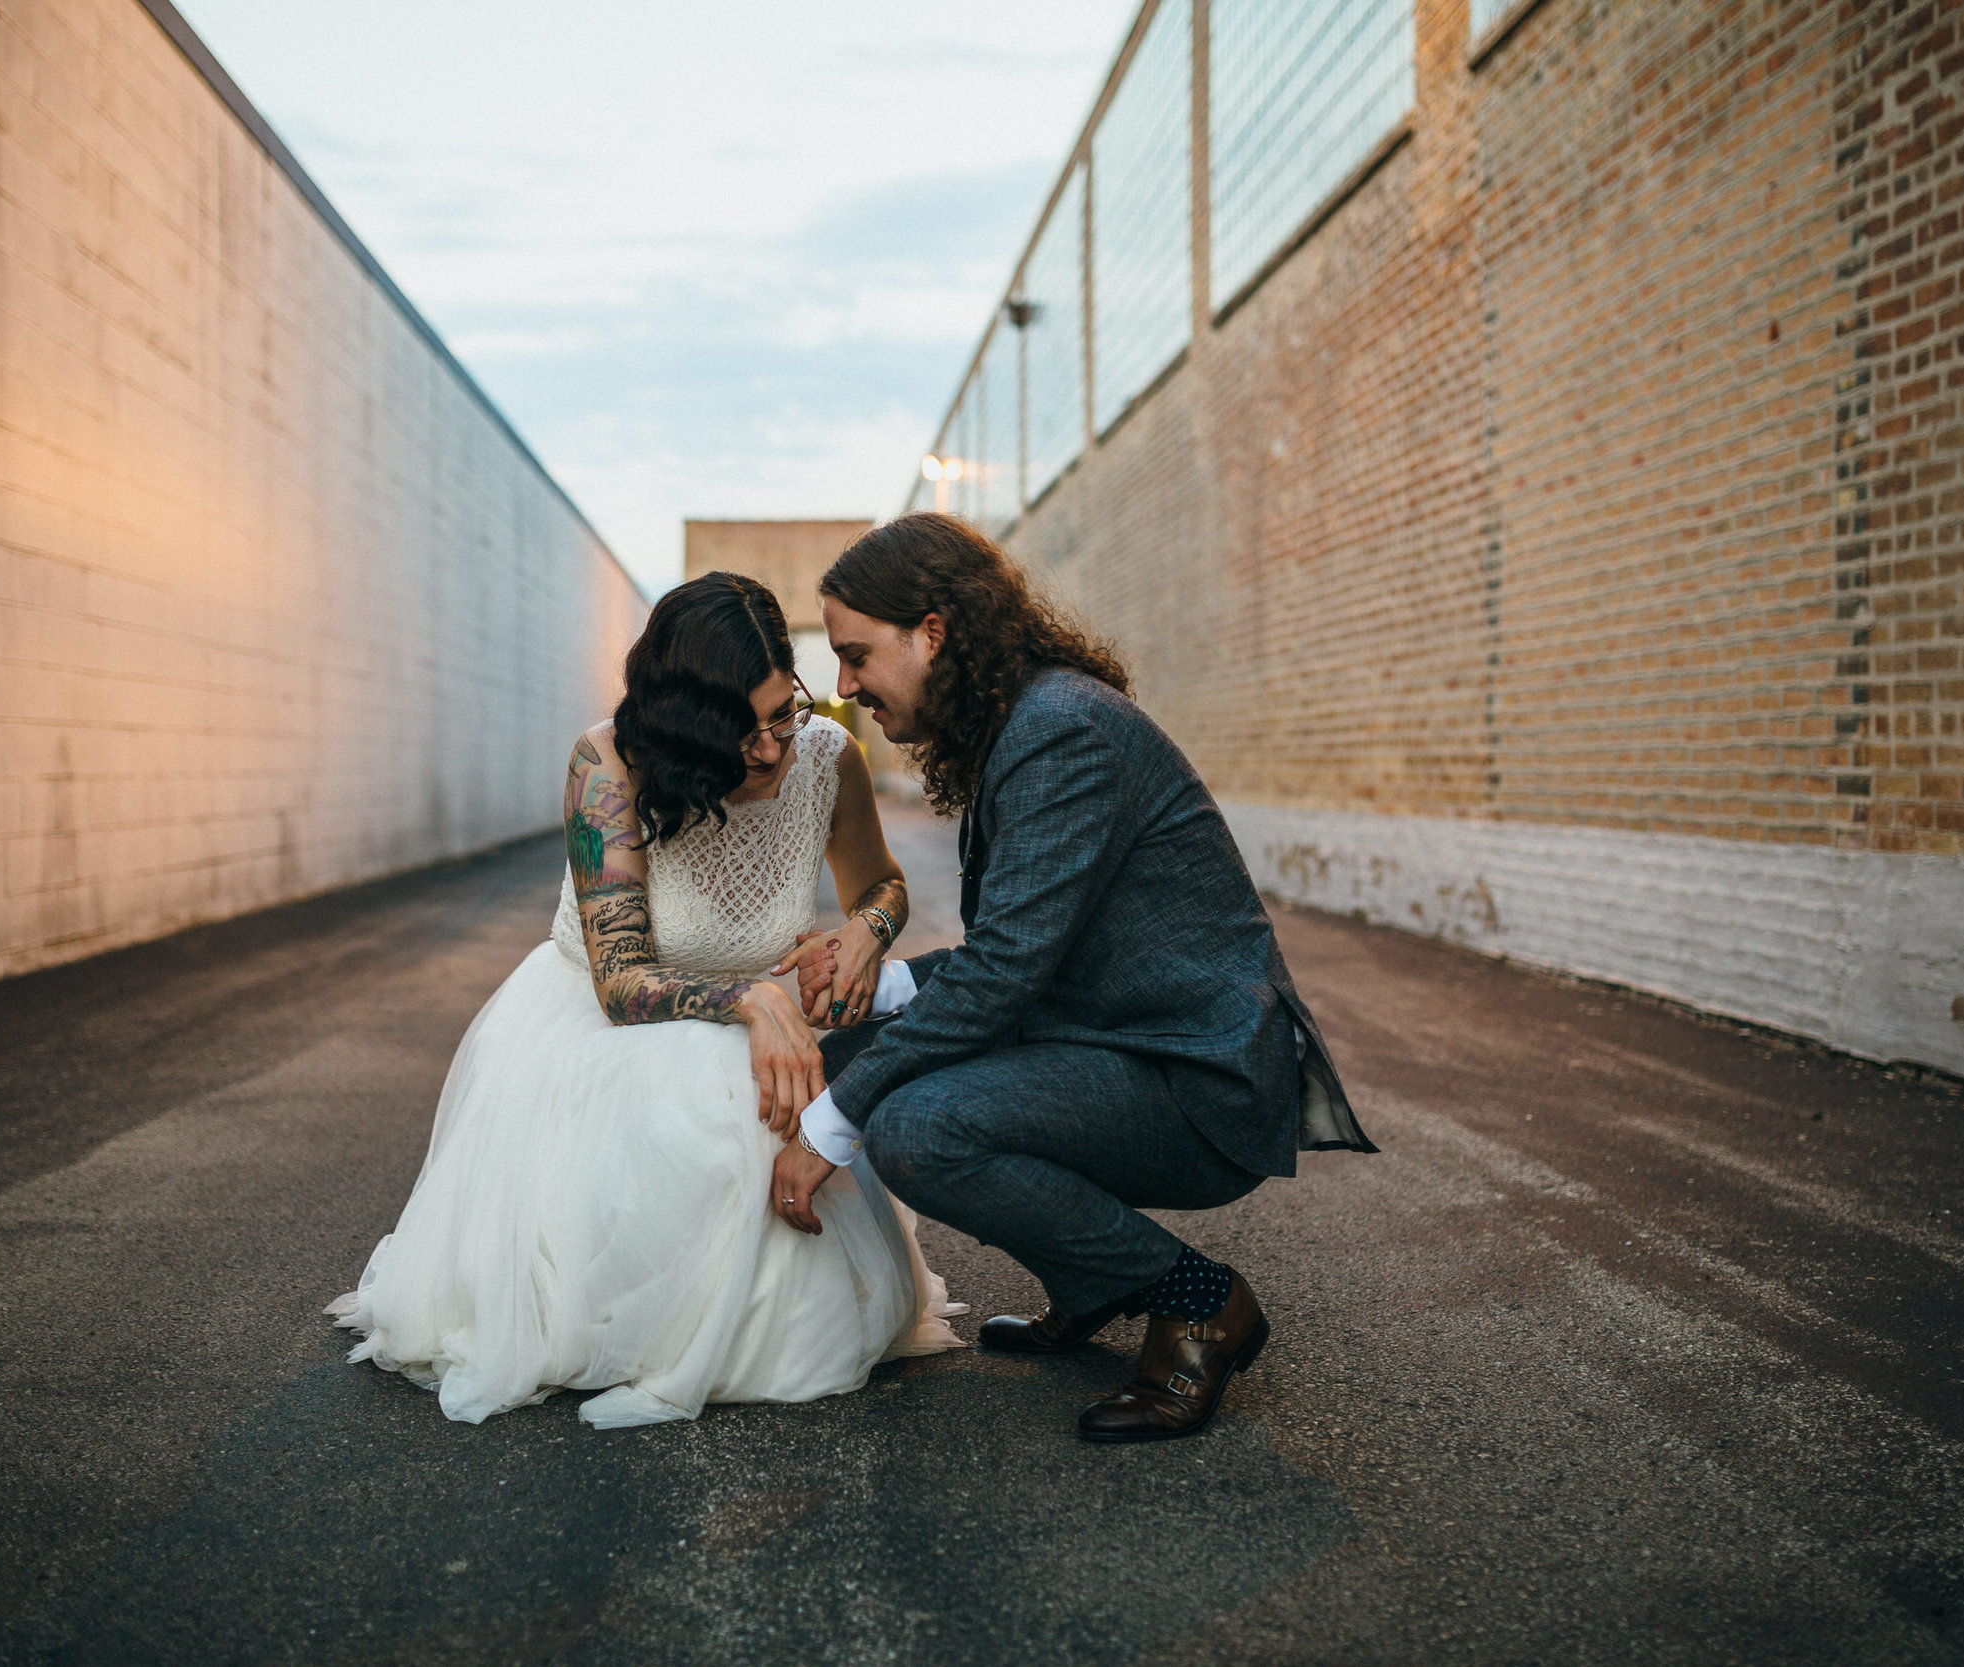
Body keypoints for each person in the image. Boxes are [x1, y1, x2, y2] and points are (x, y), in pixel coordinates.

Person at [773, 513, 1374, 1444]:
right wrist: (882, 988)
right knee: (855, 1051)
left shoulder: (1063, 732)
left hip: (1194, 1076)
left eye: (856, 656)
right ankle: (1091, 1278)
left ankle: (1200, 1301)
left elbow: (1008, 971)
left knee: (915, 1126)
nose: (845, 685)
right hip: (1114, 1039)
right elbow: (1025, 953)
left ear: (933, 631)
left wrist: (832, 1124)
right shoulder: (1021, 724)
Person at [329, 573, 962, 1428]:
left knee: (785, 1138)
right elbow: (622, 979)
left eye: (784, 713)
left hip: (745, 1011)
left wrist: (868, 930)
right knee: (710, 1134)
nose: (773, 749)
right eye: (743, 733)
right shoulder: (609, 763)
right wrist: (760, 1001)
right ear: (684, 726)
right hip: (605, 1025)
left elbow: (881, 882)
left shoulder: (826, 758)